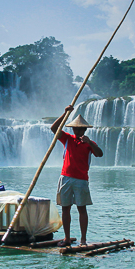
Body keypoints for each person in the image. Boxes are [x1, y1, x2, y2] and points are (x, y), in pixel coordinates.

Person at [50, 105, 103, 246]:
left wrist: (90, 142)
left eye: (80, 129)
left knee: (82, 209)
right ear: (73, 129)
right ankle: (67, 238)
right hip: (66, 177)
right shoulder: (67, 138)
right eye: (76, 128)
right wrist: (65, 113)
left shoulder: (89, 144)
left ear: (85, 130)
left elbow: (99, 154)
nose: (78, 131)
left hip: (81, 179)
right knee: (65, 208)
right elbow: (54, 129)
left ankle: (83, 240)